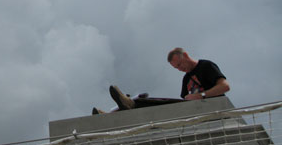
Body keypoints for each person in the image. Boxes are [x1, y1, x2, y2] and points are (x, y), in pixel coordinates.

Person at [93, 48, 230, 113]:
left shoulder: (205, 66)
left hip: (210, 106)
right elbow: (183, 100)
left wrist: (200, 95)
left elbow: (225, 86)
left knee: (150, 103)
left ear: (186, 55)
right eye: (176, 68)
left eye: (180, 65)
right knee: (157, 102)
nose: (180, 69)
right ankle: (113, 114)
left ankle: (132, 103)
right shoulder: (186, 78)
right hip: (191, 109)